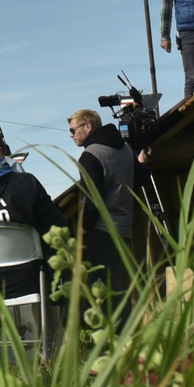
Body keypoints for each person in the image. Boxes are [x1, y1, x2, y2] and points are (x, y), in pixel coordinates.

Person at [66, 107, 139, 302]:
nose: (71, 135)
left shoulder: (90, 155)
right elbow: (142, 178)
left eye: (73, 130)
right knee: (119, 283)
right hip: (124, 228)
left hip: (101, 230)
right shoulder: (126, 150)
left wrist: (82, 227)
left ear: (88, 127)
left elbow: (93, 198)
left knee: (105, 288)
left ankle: (117, 329)